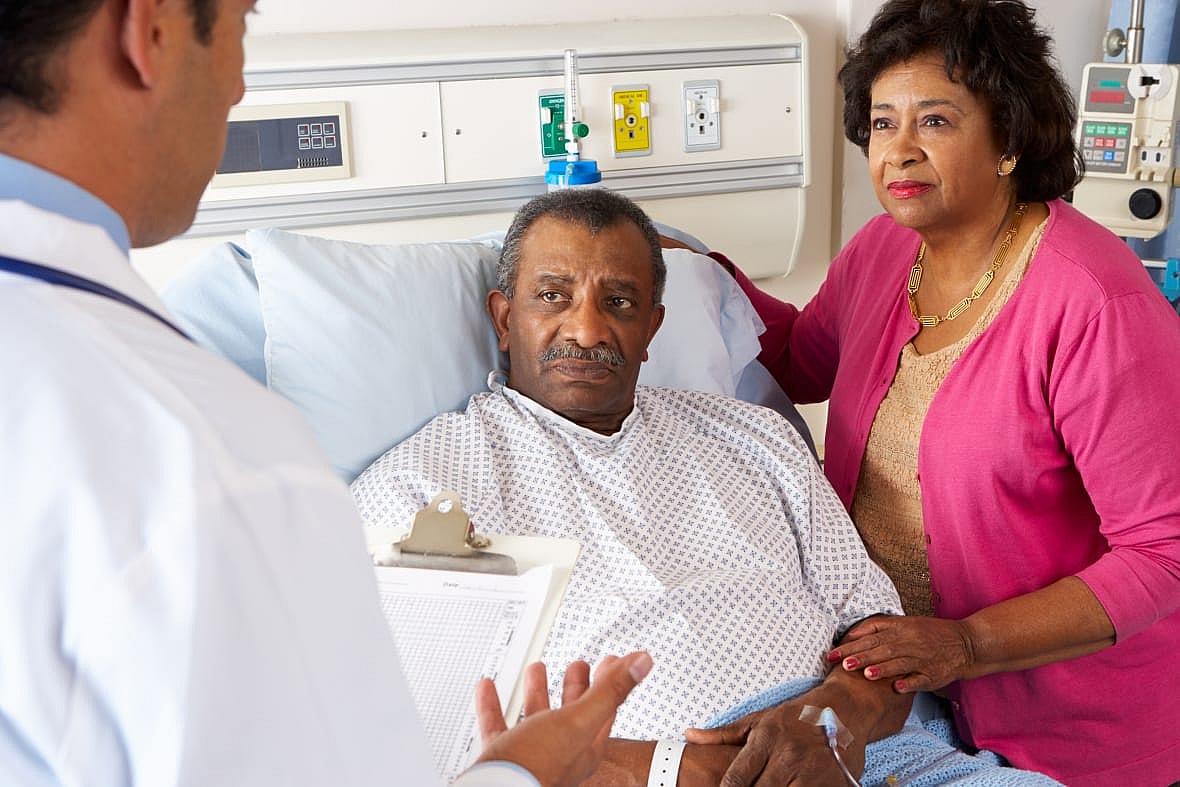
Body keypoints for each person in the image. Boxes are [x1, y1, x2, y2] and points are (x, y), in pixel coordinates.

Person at [0, 2, 652, 785]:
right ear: (152, 31)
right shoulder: (217, 461)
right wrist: (525, 771)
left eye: (619, 301)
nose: (238, 87)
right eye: (241, 25)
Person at [352, 188, 1065, 786]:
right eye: (553, 296)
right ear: (505, 318)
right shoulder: (421, 487)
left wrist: (828, 721)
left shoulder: (753, 436)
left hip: (866, 754)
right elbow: (417, 738)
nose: (587, 328)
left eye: (619, 301)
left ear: (652, 327)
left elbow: (878, 633)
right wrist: (679, 767)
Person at [700, 0, 1180, 783]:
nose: (900, 150)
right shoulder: (886, 251)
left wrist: (966, 643)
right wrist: (693, 266)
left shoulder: (1096, 303)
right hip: (907, 702)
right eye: (882, 124)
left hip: (1070, 733)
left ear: (1009, 140)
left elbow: (1163, 555)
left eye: (935, 121)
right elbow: (798, 358)